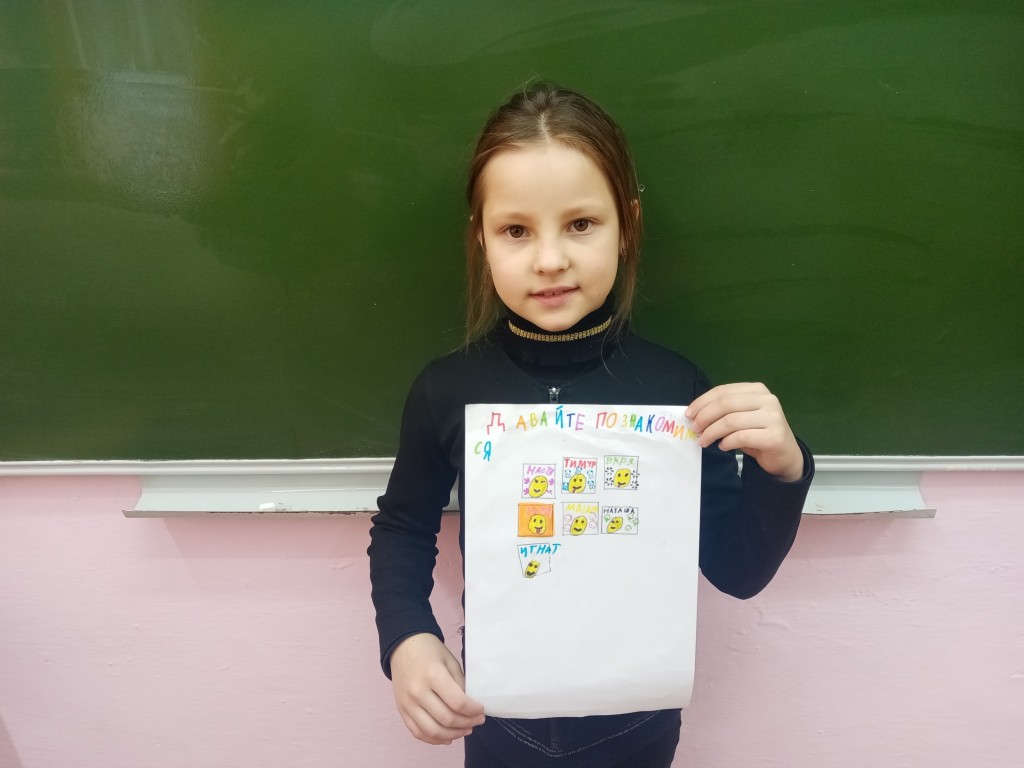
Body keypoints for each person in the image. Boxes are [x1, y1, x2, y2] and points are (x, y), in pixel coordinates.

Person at [368, 82, 814, 768]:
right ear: (480, 237)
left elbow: (737, 570)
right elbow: (403, 526)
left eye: (580, 224)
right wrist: (408, 639)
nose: (550, 259)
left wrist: (782, 469)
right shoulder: (447, 389)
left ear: (627, 225)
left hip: (637, 731)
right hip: (497, 723)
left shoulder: (676, 393)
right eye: (516, 230)